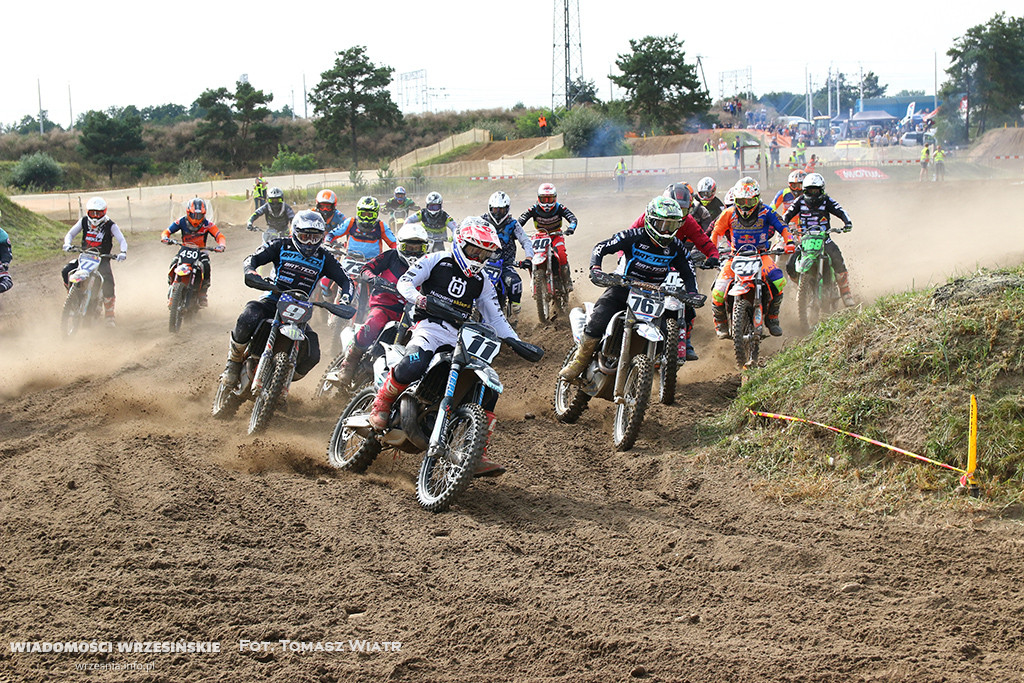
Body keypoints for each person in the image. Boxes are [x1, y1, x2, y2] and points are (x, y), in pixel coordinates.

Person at [366, 216, 523, 477]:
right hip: (428, 327)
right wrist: (420, 299)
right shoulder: (436, 259)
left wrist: (517, 342)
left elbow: (496, 317)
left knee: (487, 389)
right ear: (461, 244)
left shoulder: (482, 280)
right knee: (415, 363)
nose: (479, 257)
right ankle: (381, 403)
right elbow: (405, 282)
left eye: (484, 253)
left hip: (460, 336)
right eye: (475, 250)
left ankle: (477, 452)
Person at [559, 197, 698, 382]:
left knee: (666, 336)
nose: (666, 230)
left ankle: (655, 372)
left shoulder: (676, 247)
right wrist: (596, 269)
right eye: (662, 224)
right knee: (599, 318)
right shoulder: (633, 236)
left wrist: (692, 293)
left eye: (672, 226)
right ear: (650, 220)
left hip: (654, 295)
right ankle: (579, 361)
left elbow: (688, 272)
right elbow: (601, 248)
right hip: (624, 287)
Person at [221, 210, 353, 389]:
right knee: (249, 315)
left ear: (321, 238)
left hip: (300, 308)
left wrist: (345, 300)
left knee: (313, 354)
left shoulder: (324, 257)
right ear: (295, 233)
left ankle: (280, 384)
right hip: (273, 298)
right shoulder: (281, 245)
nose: (309, 242)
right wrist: (251, 272)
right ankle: (233, 362)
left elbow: (346, 281)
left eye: (314, 238)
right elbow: (252, 259)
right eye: (305, 236)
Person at [332, 223, 430, 386]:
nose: (413, 252)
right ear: (400, 245)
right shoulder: (391, 257)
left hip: (413, 315)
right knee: (374, 323)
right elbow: (366, 269)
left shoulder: (429, 264)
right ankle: (348, 363)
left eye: (418, 248)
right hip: (385, 307)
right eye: (409, 247)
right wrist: (374, 279)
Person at [629, 193, 721, 361]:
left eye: (684, 210)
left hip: (676, 264)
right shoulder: (648, 216)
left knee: (687, 301)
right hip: (647, 263)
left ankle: (685, 340)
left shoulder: (688, 222)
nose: (678, 214)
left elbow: (703, 241)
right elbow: (627, 236)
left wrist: (713, 255)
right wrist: (624, 257)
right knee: (629, 295)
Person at [709, 177, 795, 338]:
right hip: (735, 256)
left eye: (750, 201)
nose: (745, 206)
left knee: (778, 281)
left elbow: (782, 226)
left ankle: (772, 318)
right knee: (718, 291)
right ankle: (720, 322)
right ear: (735, 200)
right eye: (741, 201)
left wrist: (789, 241)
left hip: (761, 255)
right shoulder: (728, 213)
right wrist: (711, 251)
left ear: (757, 199)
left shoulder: (766, 211)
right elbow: (716, 232)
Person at [782, 172, 856, 307]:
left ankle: (846, 293)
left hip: (824, 238)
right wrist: (783, 226)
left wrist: (847, 223)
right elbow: (787, 214)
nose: (813, 194)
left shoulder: (827, 201)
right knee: (790, 265)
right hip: (805, 239)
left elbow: (840, 211)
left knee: (837, 258)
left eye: (816, 190)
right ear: (805, 191)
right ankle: (803, 288)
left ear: (822, 190)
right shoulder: (799, 201)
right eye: (810, 191)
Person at [61, 197, 128, 326]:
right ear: (88, 212)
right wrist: (67, 244)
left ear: (104, 212)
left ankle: (109, 316)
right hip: (85, 256)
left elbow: (122, 240)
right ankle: (72, 297)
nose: (96, 217)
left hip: (102, 258)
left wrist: (122, 252)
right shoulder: (84, 221)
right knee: (66, 271)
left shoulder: (110, 225)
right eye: (93, 213)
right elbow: (70, 234)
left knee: (108, 281)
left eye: (99, 213)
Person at [160, 198, 226, 307]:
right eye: (194, 215)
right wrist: (165, 238)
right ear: (188, 213)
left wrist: (221, 245)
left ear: (204, 215)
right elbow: (167, 231)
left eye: (199, 216)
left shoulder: (208, 225)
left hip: (201, 251)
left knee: (206, 266)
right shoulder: (181, 221)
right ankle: (172, 287)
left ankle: (202, 294)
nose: (197, 219)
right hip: (185, 249)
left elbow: (219, 235)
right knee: (174, 262)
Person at [481, 190, 533, 325]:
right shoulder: (482, 221)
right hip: (482, 262)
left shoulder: (513, 224)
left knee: (515, 282)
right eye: (495, 210)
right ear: (490, 208)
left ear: (507, 209)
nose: (498, 213)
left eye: (501, 210)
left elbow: (525, 241)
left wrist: (529, 258)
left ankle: (513, 313)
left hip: (505, 263)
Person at [517, 183, 578, 292]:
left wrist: (571, 228)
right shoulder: (533, 209)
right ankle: (535, 279)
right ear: (538, 198)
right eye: (544, 199)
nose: (546, 202)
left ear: (555, 198)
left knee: (562, 255)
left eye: (549, 199)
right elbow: (520, 221)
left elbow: (572, 218)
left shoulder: (560, 208)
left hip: (556, 235)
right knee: (531, 256)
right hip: (539, 237)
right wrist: (516, 231)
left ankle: (567, 280)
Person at [325, 196, 397, 261]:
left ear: (376, 214)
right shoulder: (351, 222)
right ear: (358, 213)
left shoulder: (381, 226)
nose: (366, 218)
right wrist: (327, 242)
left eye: (370, 215)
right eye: (363, 214)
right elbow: (332, 234)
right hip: (351, 260)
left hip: (373, 263)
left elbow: (394, 243)